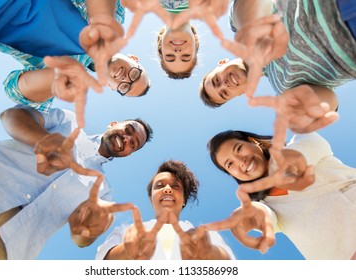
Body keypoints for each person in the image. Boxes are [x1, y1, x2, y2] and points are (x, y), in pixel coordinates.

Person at [0, 105, 153, 259]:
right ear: (113, 124)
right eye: (128, 130)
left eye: (133, 144)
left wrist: (89, 230)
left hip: (4, 247)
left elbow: (81, 239)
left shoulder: (103, 192)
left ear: (128, 154)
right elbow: (11, 116)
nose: (127, 139)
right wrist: (44, 140)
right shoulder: (68, 121)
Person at [0, 0, 151, 126]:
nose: (126, 78)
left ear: (112, 87)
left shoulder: (66, 81)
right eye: (135, 74)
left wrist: (54, 79)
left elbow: (13, 89)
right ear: (134, 59)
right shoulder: (115, 17)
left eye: (125, 87)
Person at [200, 0, 356, 136]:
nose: (224, 85)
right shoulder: (284, 90)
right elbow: (329, 99)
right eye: (225, 93)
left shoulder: (238, 25)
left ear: (222, 62)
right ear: (242, 93)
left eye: (216, 81)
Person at [206, 130, 356, 259]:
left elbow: (303, 152)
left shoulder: (302, 142)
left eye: (238, 149)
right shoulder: (266, 205)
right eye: (229, 164)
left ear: (253, 142)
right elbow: (264, 215)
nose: (240, 161)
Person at [96, 160, 235, 260]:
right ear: (151, 199)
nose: (167, 189)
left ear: (184, 200)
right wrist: (127, 250)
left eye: (175, 186)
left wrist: (209, 253)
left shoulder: (206, 235)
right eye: (159, 186)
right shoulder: (125, 230)